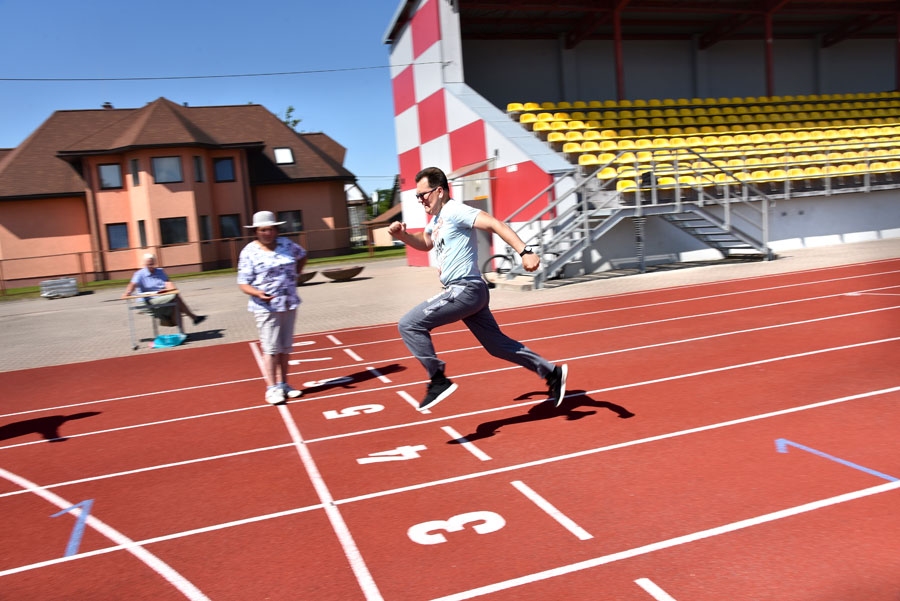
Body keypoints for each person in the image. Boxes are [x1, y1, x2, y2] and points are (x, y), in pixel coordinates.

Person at [389, 166, 567, 411]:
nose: (420, 200)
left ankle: (438, 379)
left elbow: (494, 223)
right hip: (471, 292)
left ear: (439, 191)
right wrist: (403, 236)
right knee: (496, 346)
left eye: (424, 195)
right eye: (417, 196)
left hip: (465, 289)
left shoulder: (455, 211)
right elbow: (426, 242)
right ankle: (551, 373)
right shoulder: (438, 219)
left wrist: (525, 251)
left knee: (409, 324)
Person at [237, 210, 308, 405]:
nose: (267, 233)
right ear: (256, 232)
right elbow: (243, 283)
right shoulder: (249, 251)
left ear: (276, 230)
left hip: (289, 302)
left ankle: (284, 384)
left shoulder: (287, 244)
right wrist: (258, 293)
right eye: (263, 230)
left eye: (271, 229)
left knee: (285, 348)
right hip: (266, 307)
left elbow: (302, 255)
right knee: (271, 349)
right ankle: (271, 387)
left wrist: (297, 274)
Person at [122, 253, 206, 328]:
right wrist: (128, 292)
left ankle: (182, 333)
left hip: (160, 297)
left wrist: (173, 289)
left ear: (154, 263)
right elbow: (132, 284)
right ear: (144, 264)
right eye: (148, 264)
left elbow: (167, 282)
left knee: (175, 304)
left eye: (152, 264)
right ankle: (193, 318)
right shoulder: (139, 274)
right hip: (148, 300)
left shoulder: (160, 271)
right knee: (176, 299)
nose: (150, 266)